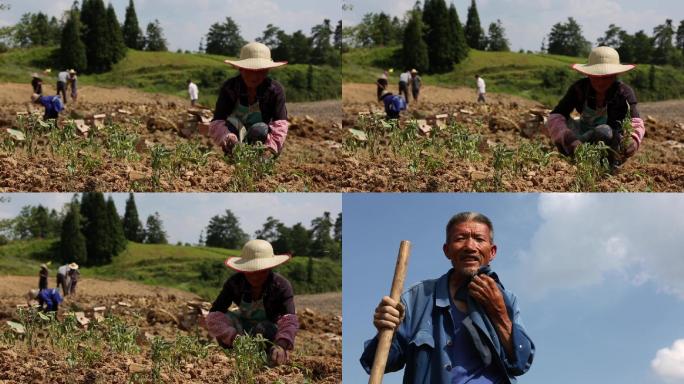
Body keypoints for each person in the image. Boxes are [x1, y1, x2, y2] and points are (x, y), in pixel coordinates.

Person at [361, 212, 535, 383]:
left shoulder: (507, 300)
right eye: (460, 238)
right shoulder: (417, 299)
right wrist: (386, 330)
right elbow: (383, 363)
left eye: (479, 239)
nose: (470, 246)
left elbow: (521, 363)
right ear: (447, 250)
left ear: (492, 252)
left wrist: (499, 313)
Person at [205, 239, 299, 366]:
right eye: (251, 272)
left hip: (267, 329)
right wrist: (235, 338)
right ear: (244, 269)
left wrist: (281, 345)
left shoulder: (281, 286)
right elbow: (215, 313)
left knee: (266, 329)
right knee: (222, 320)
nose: (255, 276)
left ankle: (269, 355)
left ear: (269, 268)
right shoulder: (234, 283)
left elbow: (289, 319)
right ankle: (234, 353)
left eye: (261, 271)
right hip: (241, 330)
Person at [546, 46, 645, 166]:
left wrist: (633, 140)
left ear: (615, 75)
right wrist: (568, 138)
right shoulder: (579, 89)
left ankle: (609, 165)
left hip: (610, 142)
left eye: (606, 77)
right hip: (581, 136)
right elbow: (557, 114)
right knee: (559, 124)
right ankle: (576, 157)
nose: (601, 82)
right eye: (596, 77)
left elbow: (635, 120)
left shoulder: (623, 93)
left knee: (604, 131)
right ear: (589, 74)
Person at [209, 42, 289, 156]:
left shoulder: (275, 91)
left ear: (267, 71)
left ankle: (260, 158)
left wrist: (270, 149)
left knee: (260, 129)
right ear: (241, 69)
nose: (254, 77)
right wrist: (227, 137)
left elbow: (280, 123)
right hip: (235, 132)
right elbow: (217, 121)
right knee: (231, 127)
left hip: (263, 138)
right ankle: (234, 155)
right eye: (249, 70)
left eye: (260, 71)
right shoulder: (230, 88)